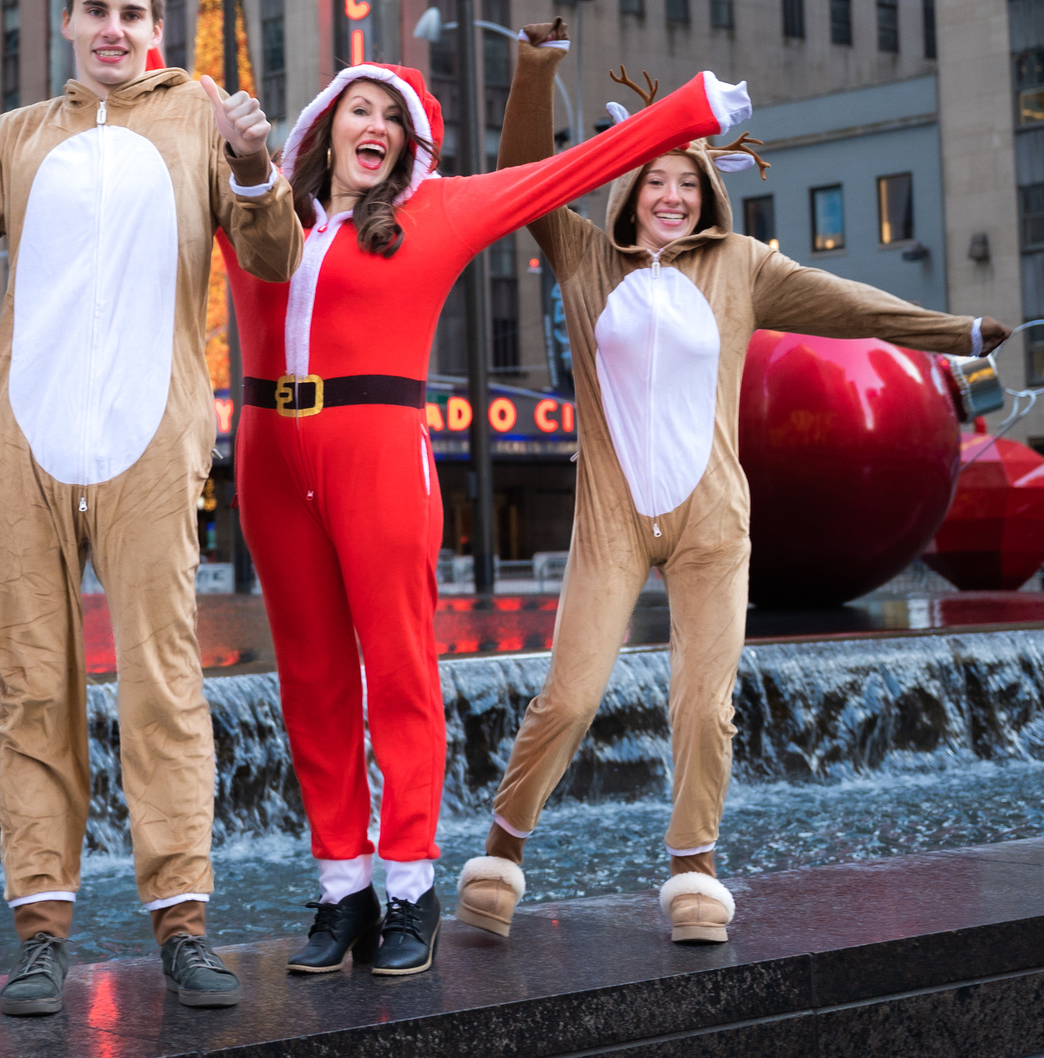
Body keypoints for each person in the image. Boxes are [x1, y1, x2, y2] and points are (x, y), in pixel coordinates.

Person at [453, 27, 1010, 948]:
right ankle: (503, 849)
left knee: (706, 704)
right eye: (655, 179)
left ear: (706, 191)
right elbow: (522, 174)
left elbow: (850, 304)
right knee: (571, 695)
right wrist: (537, 70)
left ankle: (693, 870)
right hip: (613, 518)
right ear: (628, 188)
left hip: (715, 518)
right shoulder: (585, 254)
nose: (671, 195)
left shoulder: (741, 267)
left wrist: (956, 332)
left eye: (687, 181)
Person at [222, 56, 754, 978]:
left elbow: (576, 170)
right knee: (310, 676)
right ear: (325, 124)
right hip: (269, 454)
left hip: (377, 448)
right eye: (360, 107)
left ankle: (407, 885)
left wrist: (693, 110)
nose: (375, 123)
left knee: (395, 668)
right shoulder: (259, 205)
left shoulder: (437, 211)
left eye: (393, 113)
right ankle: (342, 884)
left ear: (408, 144)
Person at [0, 0, 300, 1017]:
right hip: (21, 441)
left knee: (162, 684)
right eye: (96, 9)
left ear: (157, 27)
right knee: (31, 692)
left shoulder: (200, 123)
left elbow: (274, 256)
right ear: (67, 23)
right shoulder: (16, 138)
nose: (113, 27)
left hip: (149, 443)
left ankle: (184, 926)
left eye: (132, 11)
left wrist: (253, 163)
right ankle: (42, 933)